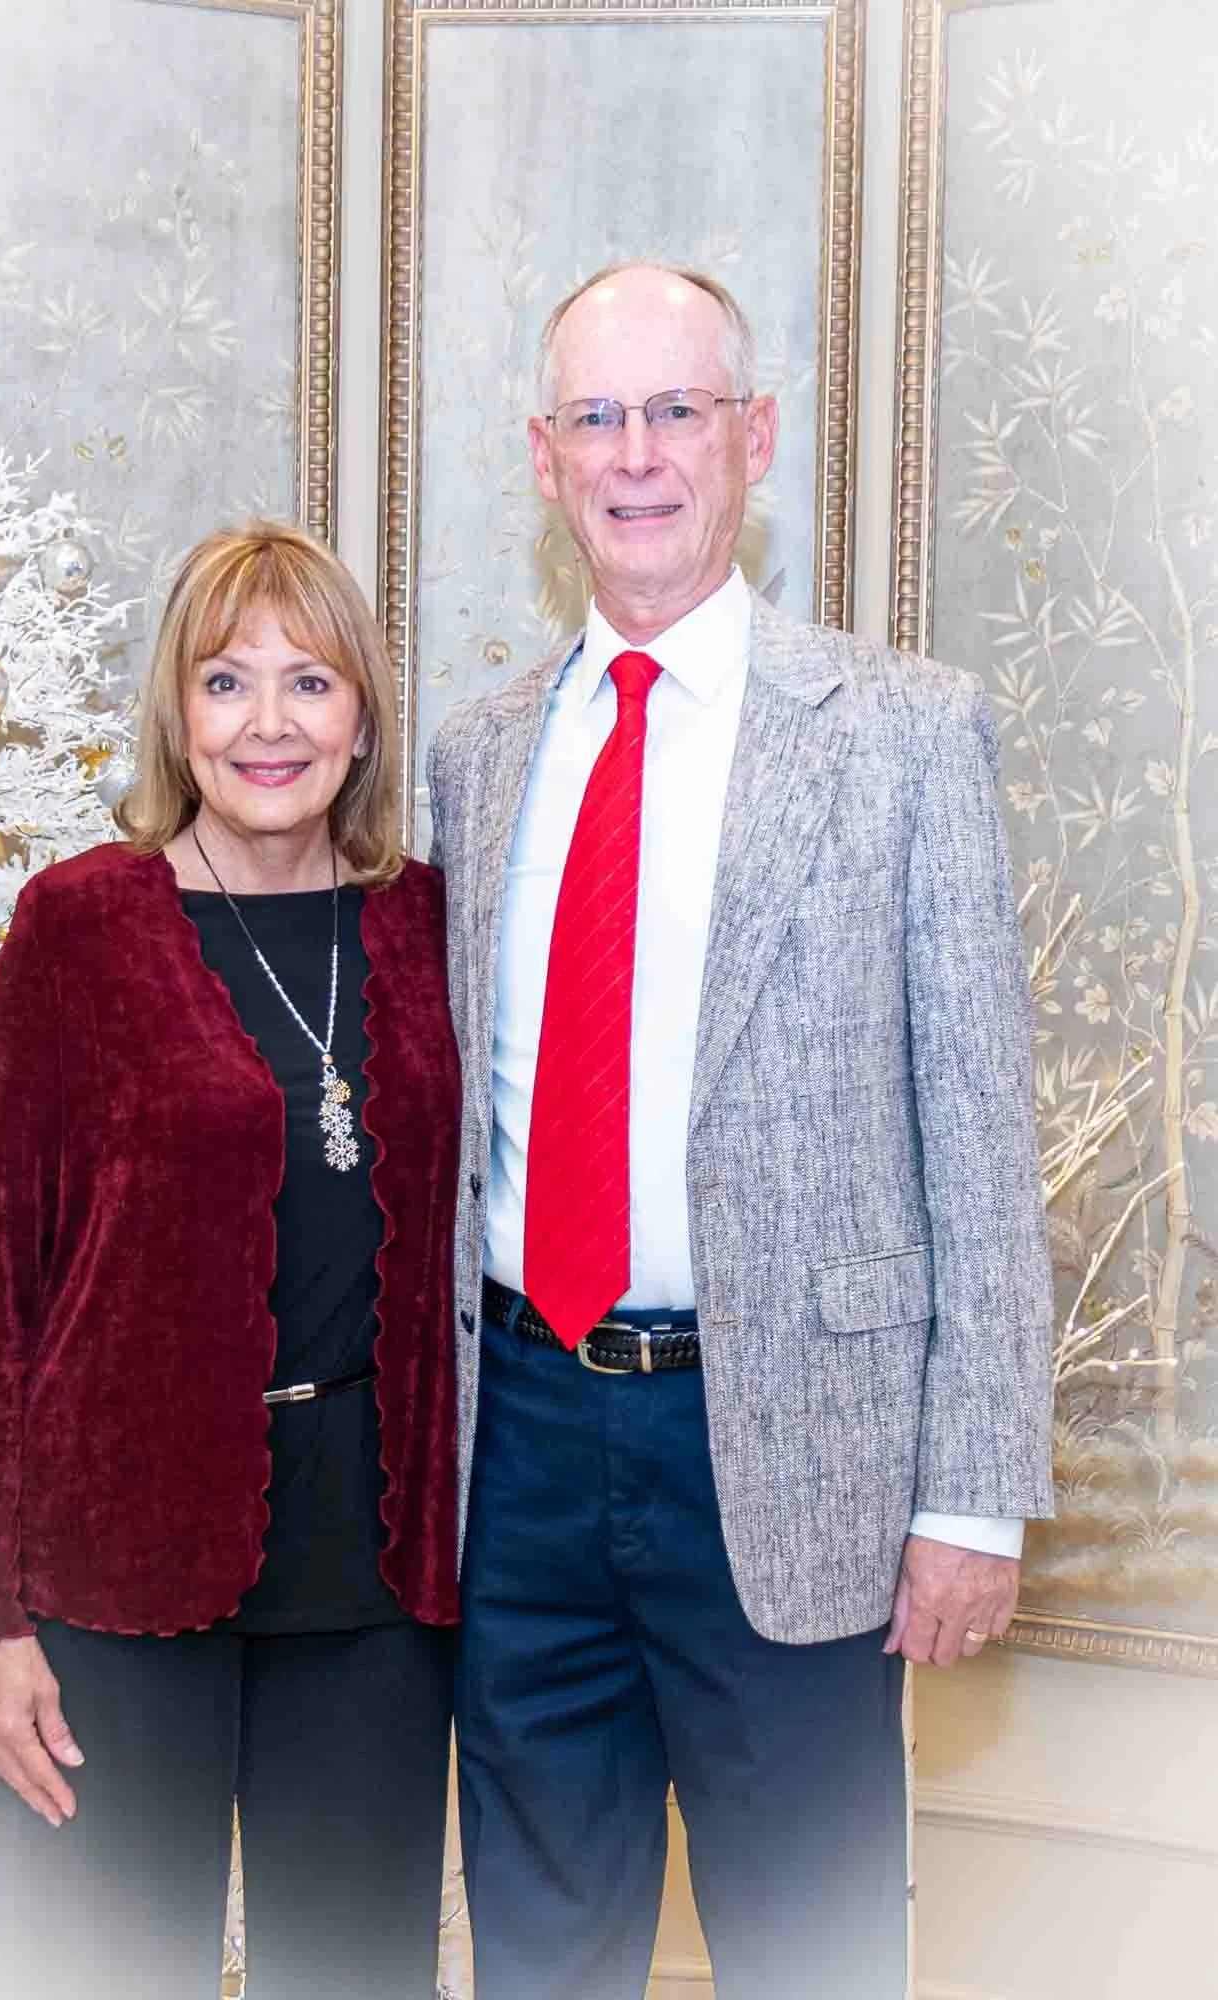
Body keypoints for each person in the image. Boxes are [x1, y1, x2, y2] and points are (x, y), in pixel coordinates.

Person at [426, 263, 1054, 2000]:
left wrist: (977, 1497)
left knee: (814, 1959)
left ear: (753, 438)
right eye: (595, 419)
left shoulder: (905, 735)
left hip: (800, 1457)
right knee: (541, 1950)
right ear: (543, 460)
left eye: (676, 411)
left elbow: (981, 1135)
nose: (637, 456)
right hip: (526, 1447)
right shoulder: (476, 754)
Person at [0, 522, 461, 2000]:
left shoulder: (421, 925)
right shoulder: (80, 929)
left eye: (309, 683)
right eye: (227, 683)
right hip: (111, 1594)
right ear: (178, 712)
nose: (269, 724)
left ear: (361, 717)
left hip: (373, 1598)